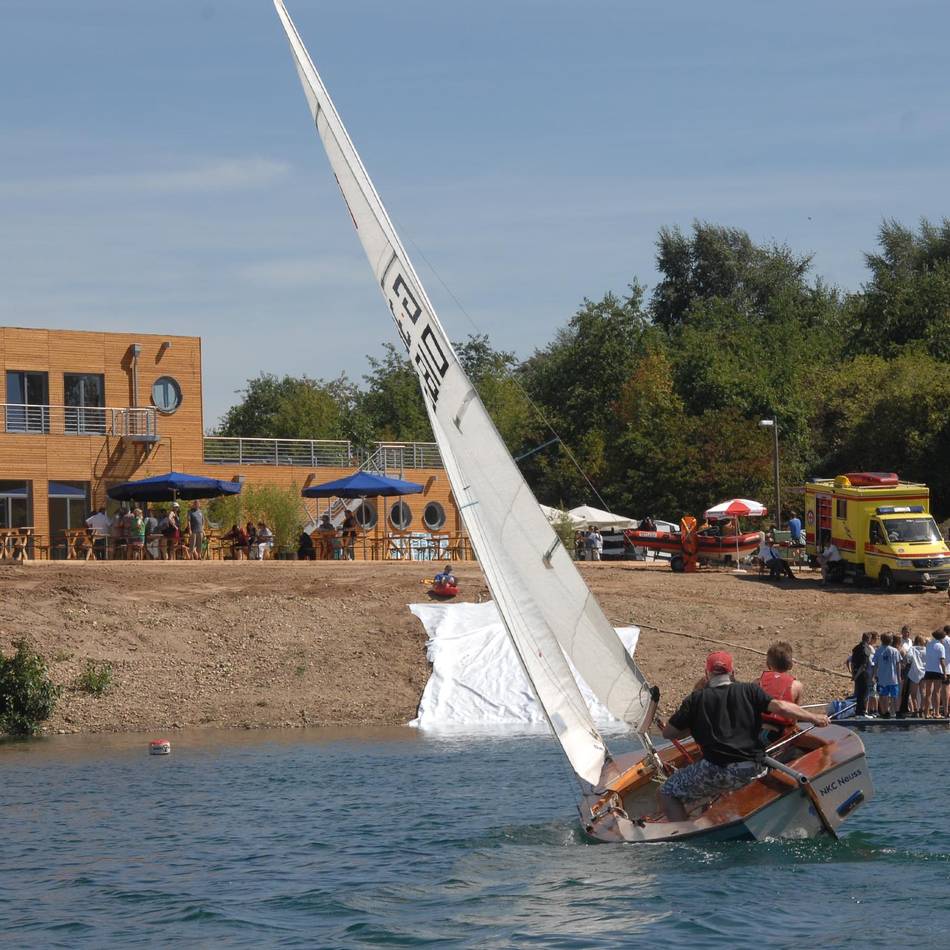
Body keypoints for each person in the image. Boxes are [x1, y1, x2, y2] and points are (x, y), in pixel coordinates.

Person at [659, 652, 830, 821]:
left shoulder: (695, 700)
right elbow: (780, 707)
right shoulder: (750, 690)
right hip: (755, 769)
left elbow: (669, 733)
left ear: (707, 674)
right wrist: (814, 717)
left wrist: (693, 726)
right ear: (732, 673)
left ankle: (685, 837)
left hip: (717, 770)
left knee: (667, 791)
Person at [758, 641, 804, 735]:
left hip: (758, 728)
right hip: (780, 732)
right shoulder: (797, 686)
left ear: (767, 664)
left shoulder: (757, 682)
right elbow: (795, 715)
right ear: (790, 665)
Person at [872, 633, 902, 718]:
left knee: (883, 696)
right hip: (893, 678)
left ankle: (885, 712)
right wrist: (899, 676)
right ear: (891, 640)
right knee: (894, 696)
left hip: (882, 678)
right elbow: (898, 664)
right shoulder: (895, 651)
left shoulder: (878, 650)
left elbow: (875, 664)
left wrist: (874, 675)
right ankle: (897, 711)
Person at [922, 629, 947, 718]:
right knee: (937, 692)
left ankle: (926, 713)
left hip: (928, 671)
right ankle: (937, 713)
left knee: (928, 693)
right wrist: (944, 673)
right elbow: (942, 661)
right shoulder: (941, 646)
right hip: (937, 671)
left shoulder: (928, 644)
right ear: (941, 638)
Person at [848, 632, 874, 717]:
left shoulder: (856, 648)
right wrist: (857, 675)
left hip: (856, 672)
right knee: (864, 694)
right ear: (869, 639)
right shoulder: (866, 649)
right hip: (863, 674)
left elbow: (852, 662)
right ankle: (862, 712)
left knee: (859, 693)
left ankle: (858, 712)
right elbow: (863, 665)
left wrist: (853, 674)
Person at [906, 635, 927, 714]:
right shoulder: (926, 649)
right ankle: (922, 708)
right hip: (924, 673)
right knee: (923, 692)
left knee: (913, 694)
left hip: (915, 672)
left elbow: (909, 657)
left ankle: (915, 710)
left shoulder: (912, 649)